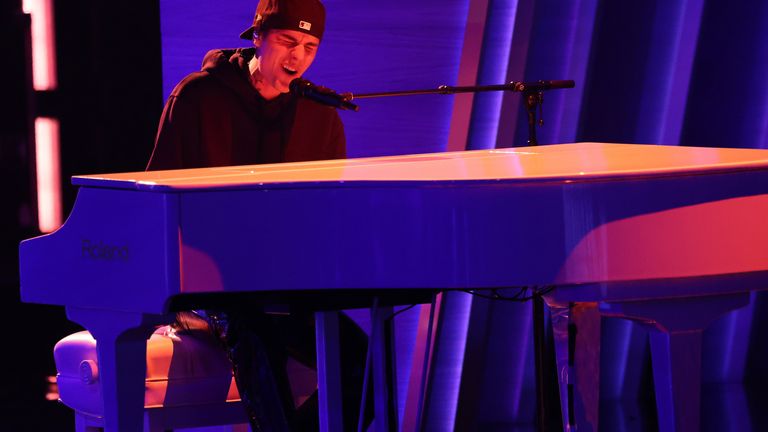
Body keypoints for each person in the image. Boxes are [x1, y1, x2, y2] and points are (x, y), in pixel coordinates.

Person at [146, 1, 369, 430]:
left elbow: (328, 212)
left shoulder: (319, 114)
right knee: (255, 330)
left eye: (309, 45)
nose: (297, 56)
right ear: (257, 37)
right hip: (204, 283)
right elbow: (157, 199)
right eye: (287, 41)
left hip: (284, 284)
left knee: (364, 362)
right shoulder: (197, 96)